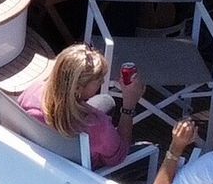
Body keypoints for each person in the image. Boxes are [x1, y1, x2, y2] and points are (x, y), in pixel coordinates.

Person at [17, 44, 146, 172]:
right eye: (98, 79)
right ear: (77, 89)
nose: (102, 82)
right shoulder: (97, 125)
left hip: (50, 154)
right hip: (86, 172)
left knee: (106, 100)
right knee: (148, 150)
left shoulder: (32, 92)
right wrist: (129, 105)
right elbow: (119, 156)